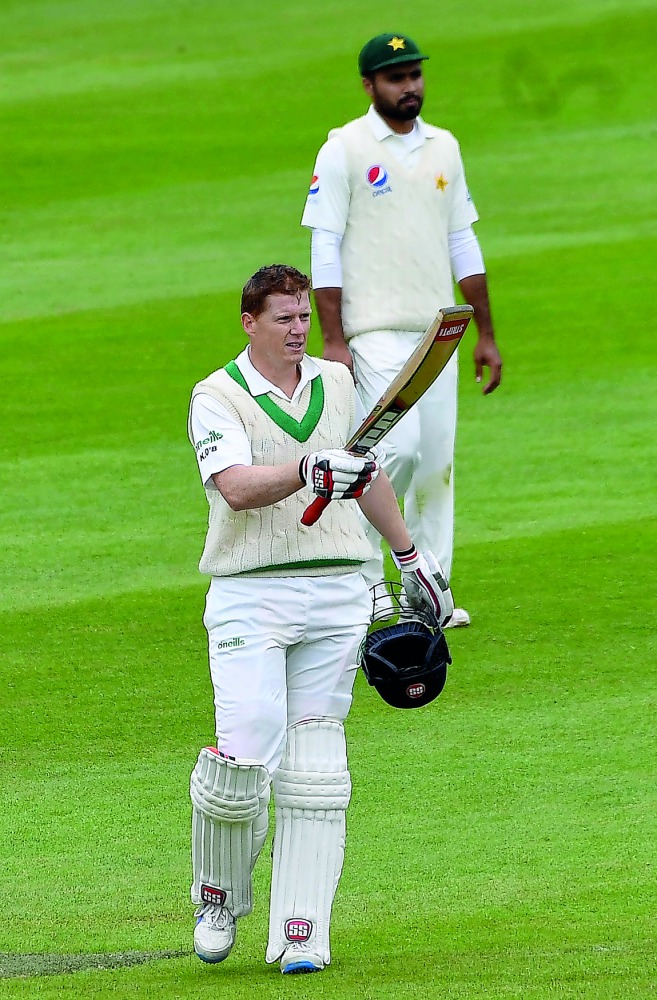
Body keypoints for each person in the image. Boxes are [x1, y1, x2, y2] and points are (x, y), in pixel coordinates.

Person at [187, 264, 453, 975]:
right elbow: (237, 490)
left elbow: (361, 470)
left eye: (303, 317)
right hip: (251, 593)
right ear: (248, 322)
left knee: (315, 771)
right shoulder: (216, 396)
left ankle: (299, 931)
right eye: (283, 319)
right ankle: (217, 896)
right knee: (244, 758)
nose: (298, 330)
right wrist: (308, 470)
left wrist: (407, 554)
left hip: (338, 588)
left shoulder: (335, 383)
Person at [301, 32, 503, 628]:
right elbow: (325, 247)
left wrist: (485, 332)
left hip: (438, 332)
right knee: (396, 451)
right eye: (395, 77)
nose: (409, 86)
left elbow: (461, 238)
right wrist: (334, 340)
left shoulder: (445, 147)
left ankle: (430, 590)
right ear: (370, 85)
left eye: (414, 74)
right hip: (374, 333)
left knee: (438, 462)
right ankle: (365, 582)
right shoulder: (343, 149)